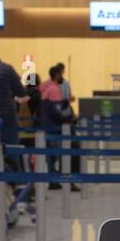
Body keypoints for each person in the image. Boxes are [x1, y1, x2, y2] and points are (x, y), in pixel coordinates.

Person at [39, 63, 80, 191]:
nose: (62, 76)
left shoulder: (44, 87)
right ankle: (69, 181)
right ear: (57, 75)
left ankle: (53, 181)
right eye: (61, 74)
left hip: (47, 126)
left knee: (51, 157)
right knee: (66, 154)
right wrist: (71, 117)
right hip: (58, 128)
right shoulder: (54, 89)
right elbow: (58, 111)